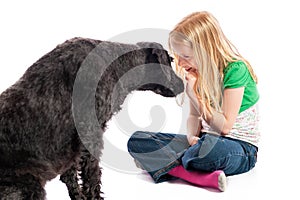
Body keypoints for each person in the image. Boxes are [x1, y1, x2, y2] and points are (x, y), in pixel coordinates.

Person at [127, 11, 260, 192]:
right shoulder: (198, 74)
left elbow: (225, 127)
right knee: (138, 140)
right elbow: (193, 117)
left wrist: (195, 97)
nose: (180, 64)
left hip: (239, 148)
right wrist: (190, 137)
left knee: (207, 151)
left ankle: (164, 164)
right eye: (178, 56)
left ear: (205, 51)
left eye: (186, 57)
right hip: (202, 142)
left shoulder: (236, 70)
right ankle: (197, 175)